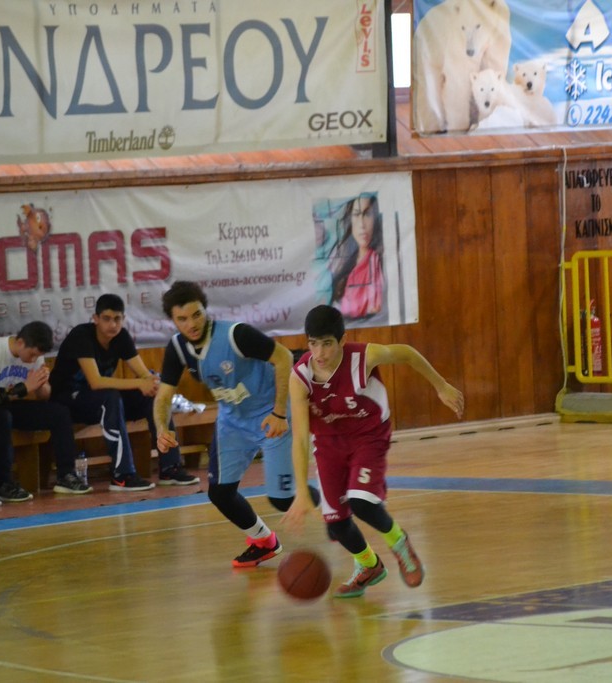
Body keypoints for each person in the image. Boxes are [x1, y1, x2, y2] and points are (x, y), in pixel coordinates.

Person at [283, 305, 465, 597]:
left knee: (362, 503)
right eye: (313, 344)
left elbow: (407, 353)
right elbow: (301, 439)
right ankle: (369, 566)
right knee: (337, 524)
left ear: (342, 340)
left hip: (368, 437)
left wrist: (441, 386)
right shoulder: (300, 377)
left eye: (327, 343)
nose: (319, 353)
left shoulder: (363, 357)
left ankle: (399, 543)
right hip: (329, 445)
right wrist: (302, 491)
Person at [154, 281, 319, 567]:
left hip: (271, 415)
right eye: (182, 319)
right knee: (220, 493)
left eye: (196, 314)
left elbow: (282, 357)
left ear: (205, 310)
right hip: (232, 421)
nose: (191, 324)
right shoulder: (178, 348)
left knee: (283, 500)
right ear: (173, 321)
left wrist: (280, 412)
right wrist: (161, 428)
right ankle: (264, 541)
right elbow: (164, 396)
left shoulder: (236, 334)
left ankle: (333, 498)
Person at [49, 294, 195, 492]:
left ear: (123, 319)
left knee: (154, 398)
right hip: (69, 400)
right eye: (107, 319)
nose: (113, 325)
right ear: (95, 319)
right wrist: (140, 383)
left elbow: (144, 375)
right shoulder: (81, 336)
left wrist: (154, 383)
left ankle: (170, 467)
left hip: (100, 400)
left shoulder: (121, 337)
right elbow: (96, 382)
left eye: (117, 319)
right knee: (110, 397)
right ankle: (122, 475)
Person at [0, 321, 89, 496]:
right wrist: (26, 387)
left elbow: (44, 396)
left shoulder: (36, 357)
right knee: (2, 417)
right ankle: (3, 483)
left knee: (60, 413)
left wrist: (41, 384)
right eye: (32, 354)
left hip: (12, 404)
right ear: (20, 342)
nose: (34, 360)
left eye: (38, 356)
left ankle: (66, 475)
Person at [330, 194, 386, 321]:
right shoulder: (342, 265)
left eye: (367, 214)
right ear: (349, 220)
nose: (361, 224)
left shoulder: (379, 263)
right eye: (356, 214)